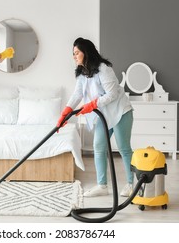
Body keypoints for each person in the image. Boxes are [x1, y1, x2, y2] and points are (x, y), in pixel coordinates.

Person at [57, 37, 134, 197]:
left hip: (120, 111)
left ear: (86, 52)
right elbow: (78, 93)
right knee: (98, 148)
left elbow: (112, 94)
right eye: (73, 53)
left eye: (77, 52)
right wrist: (66, 111)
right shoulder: (81, 73)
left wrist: (92, 105)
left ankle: (132, 184)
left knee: (124, 149)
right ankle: (102, 186)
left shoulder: (103, 68)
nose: (74, 56)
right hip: (104, 115)